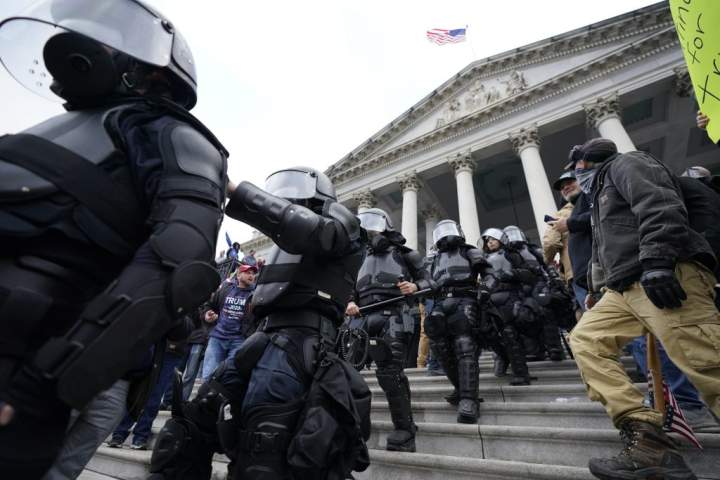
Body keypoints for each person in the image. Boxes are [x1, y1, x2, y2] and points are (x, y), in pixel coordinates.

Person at [0, 2, 227, 478]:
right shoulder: (51, 130)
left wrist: (47, 383)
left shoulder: (173, 136)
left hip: (23, 356)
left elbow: (180, 264)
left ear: (154, 69)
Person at [148, 167, 370, 480]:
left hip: (300, 342)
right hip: (262, 337)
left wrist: (235, 191)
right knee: (192, 420)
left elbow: (306, 228)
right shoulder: (288, 241)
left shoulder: (343, 228)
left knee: (264, 440)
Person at [566, 138, 720, 480]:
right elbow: (609, 247)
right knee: (587, 340)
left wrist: (658, 261)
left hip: (662, 271)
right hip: (622, 287)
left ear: (588, 161)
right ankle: (650, 443)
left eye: (577, 168)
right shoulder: (599, 195)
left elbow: (659, 204)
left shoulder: (628, 164)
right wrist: (598, 288)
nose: (576, 175)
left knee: (705, 361)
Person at [345, 208, 431, 451]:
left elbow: (430, 280)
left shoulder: (406, 254)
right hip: (362, 319)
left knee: (390, 374)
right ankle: (352, 428)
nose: (370, 232)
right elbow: (351, 287)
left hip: (393, 315)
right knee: (347, 372)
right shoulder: (359, 258)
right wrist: (350, 302)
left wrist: (415, 286)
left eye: (374, 226)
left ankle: (405, 429)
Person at [426, 220, 489, 423]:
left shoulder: (469, 251)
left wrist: (485, 288)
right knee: (439, 347)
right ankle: (461, 388)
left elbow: (488, 275)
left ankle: (469, 399)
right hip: (440, 302)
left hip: (465, 298)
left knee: (464, 346)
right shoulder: (434, 259)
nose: (445, 235)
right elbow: (426, 281)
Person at [479, 228, 534, 385]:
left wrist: (512, 274)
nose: (490, 242)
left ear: (501, 239)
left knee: (510, 334)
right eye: (487, 240)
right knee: (487, 333)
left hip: (510, 297)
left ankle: (521, 374)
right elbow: (484, 279)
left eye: (493, 239)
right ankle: (504, 358)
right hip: (491, 300)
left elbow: (528, 274)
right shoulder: (483, 259)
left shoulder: (511, 254)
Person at [504, 225, 564, 362]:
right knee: (524, 316)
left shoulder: (532, 249)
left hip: (539, 284)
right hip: (520, 287)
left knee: (547, 314)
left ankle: (554, 348)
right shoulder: (506, 254)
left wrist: (555, 279)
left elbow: (547, 264)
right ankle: (534, 350)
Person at [200, 264, 257, 379]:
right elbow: (209, 305)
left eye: (253, 274)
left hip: (239, 341)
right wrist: (207, 314)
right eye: (247, 273)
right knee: (208, 376)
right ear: (239, 275)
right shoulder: (225, 289)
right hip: (217, 338)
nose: (251, 276)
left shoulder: (255, 294)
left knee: (229, 377)